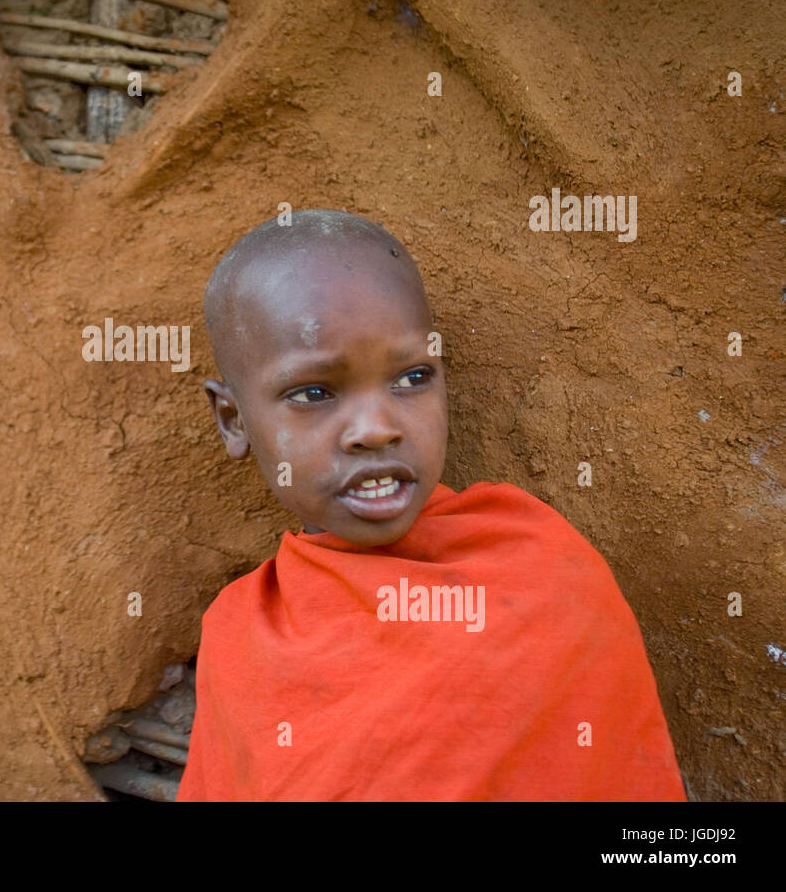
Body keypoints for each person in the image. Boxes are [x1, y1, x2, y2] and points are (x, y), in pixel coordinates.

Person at [176, 208, 685, 800]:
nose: (375, 429)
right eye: (314, 392)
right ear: (233, 420)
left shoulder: (543, 573)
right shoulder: (242, 636)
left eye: (412, 378)